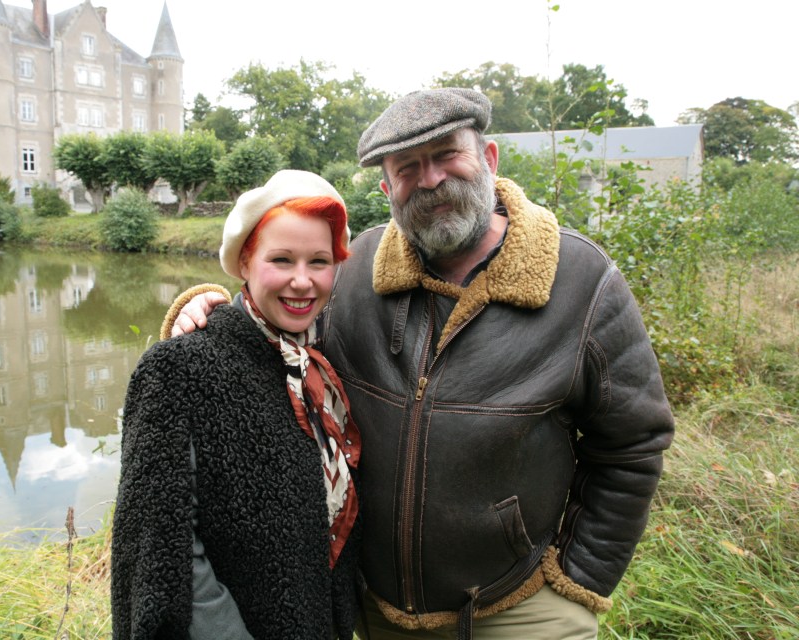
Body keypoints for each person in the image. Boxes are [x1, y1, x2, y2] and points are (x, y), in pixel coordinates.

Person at [168, 88, 675, 640]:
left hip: (519, 608)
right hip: (377, 610)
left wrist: (580, 581)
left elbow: (633, 443)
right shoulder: (356, 269)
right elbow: (277, 335)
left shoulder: (582, 281)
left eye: (446, 155)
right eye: (407, 168)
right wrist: (210, 312)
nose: (430, 179)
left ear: (489, 158)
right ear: (388, 190)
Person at [111, 170, 362, 640]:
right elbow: (164, 552)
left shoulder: (320, 367)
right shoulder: (179, 368)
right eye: (281, 259)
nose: (302, 281)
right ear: (245, 263)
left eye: (320, 261)